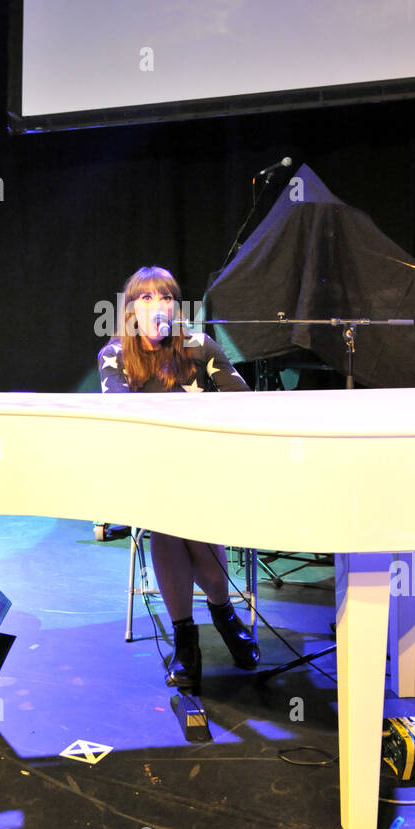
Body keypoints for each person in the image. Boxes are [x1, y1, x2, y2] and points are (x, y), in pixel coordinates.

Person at [97, 265, 259, 691]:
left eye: (165, 297)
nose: (157, 306)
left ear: (177, 306)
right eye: (146, 298)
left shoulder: (199, 346)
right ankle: (201, 628)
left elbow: (244, 405)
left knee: (184, 521)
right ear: (130, 309)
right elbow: (121, 419)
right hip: (153, 476)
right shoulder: (116, 355)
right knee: (168, 523)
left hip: (208, 471)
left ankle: (211, 621)